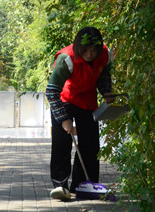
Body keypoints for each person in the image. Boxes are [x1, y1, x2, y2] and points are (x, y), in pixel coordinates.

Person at [46, 26, 115, 201]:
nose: (90, 55)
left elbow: (103, 74)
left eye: (94, 51)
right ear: (79, 48)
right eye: (86, 51)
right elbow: (51, 91)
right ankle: (60, 185)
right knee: (62, 143)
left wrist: (106, 91)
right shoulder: (66, 59)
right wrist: (64, 120)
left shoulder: (104, 55)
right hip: (65, 99)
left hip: (87, 99)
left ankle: (83, 184)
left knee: (90, 143)